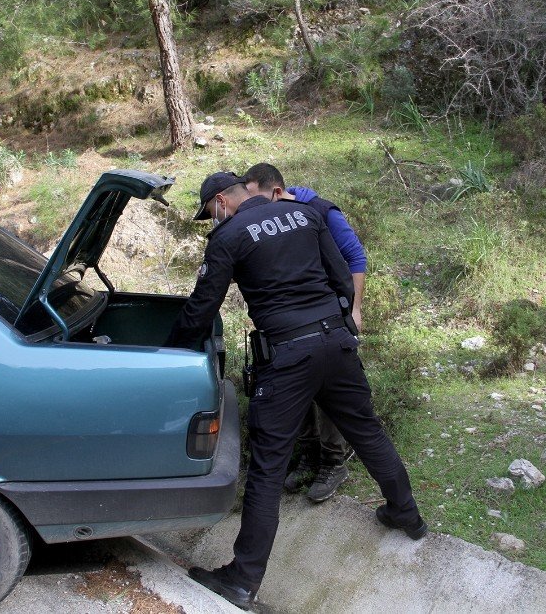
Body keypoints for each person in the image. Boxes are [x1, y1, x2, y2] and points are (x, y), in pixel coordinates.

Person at [166, 171, 426, 610]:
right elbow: (342, 278)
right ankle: (406, 513)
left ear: (222, 202)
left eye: (208, 212)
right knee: (367, 431)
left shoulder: (228, 236)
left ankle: (242, 580)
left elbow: (202, 307)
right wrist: (340, 329)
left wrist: (169, 352)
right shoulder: (304, 214)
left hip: (286, 357)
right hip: (336, 343)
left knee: (268, 467)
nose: (210, 219)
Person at [243, 162, 365, 503]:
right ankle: (311, 454)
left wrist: (355, 310)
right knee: (302, 387)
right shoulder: (276, 219)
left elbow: (355, 256)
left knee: (330, 393)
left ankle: (334, 461)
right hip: (299, 319)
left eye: (254, 197)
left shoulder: (321, 210)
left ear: (277, 192)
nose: (251, 206)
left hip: (332, 314)